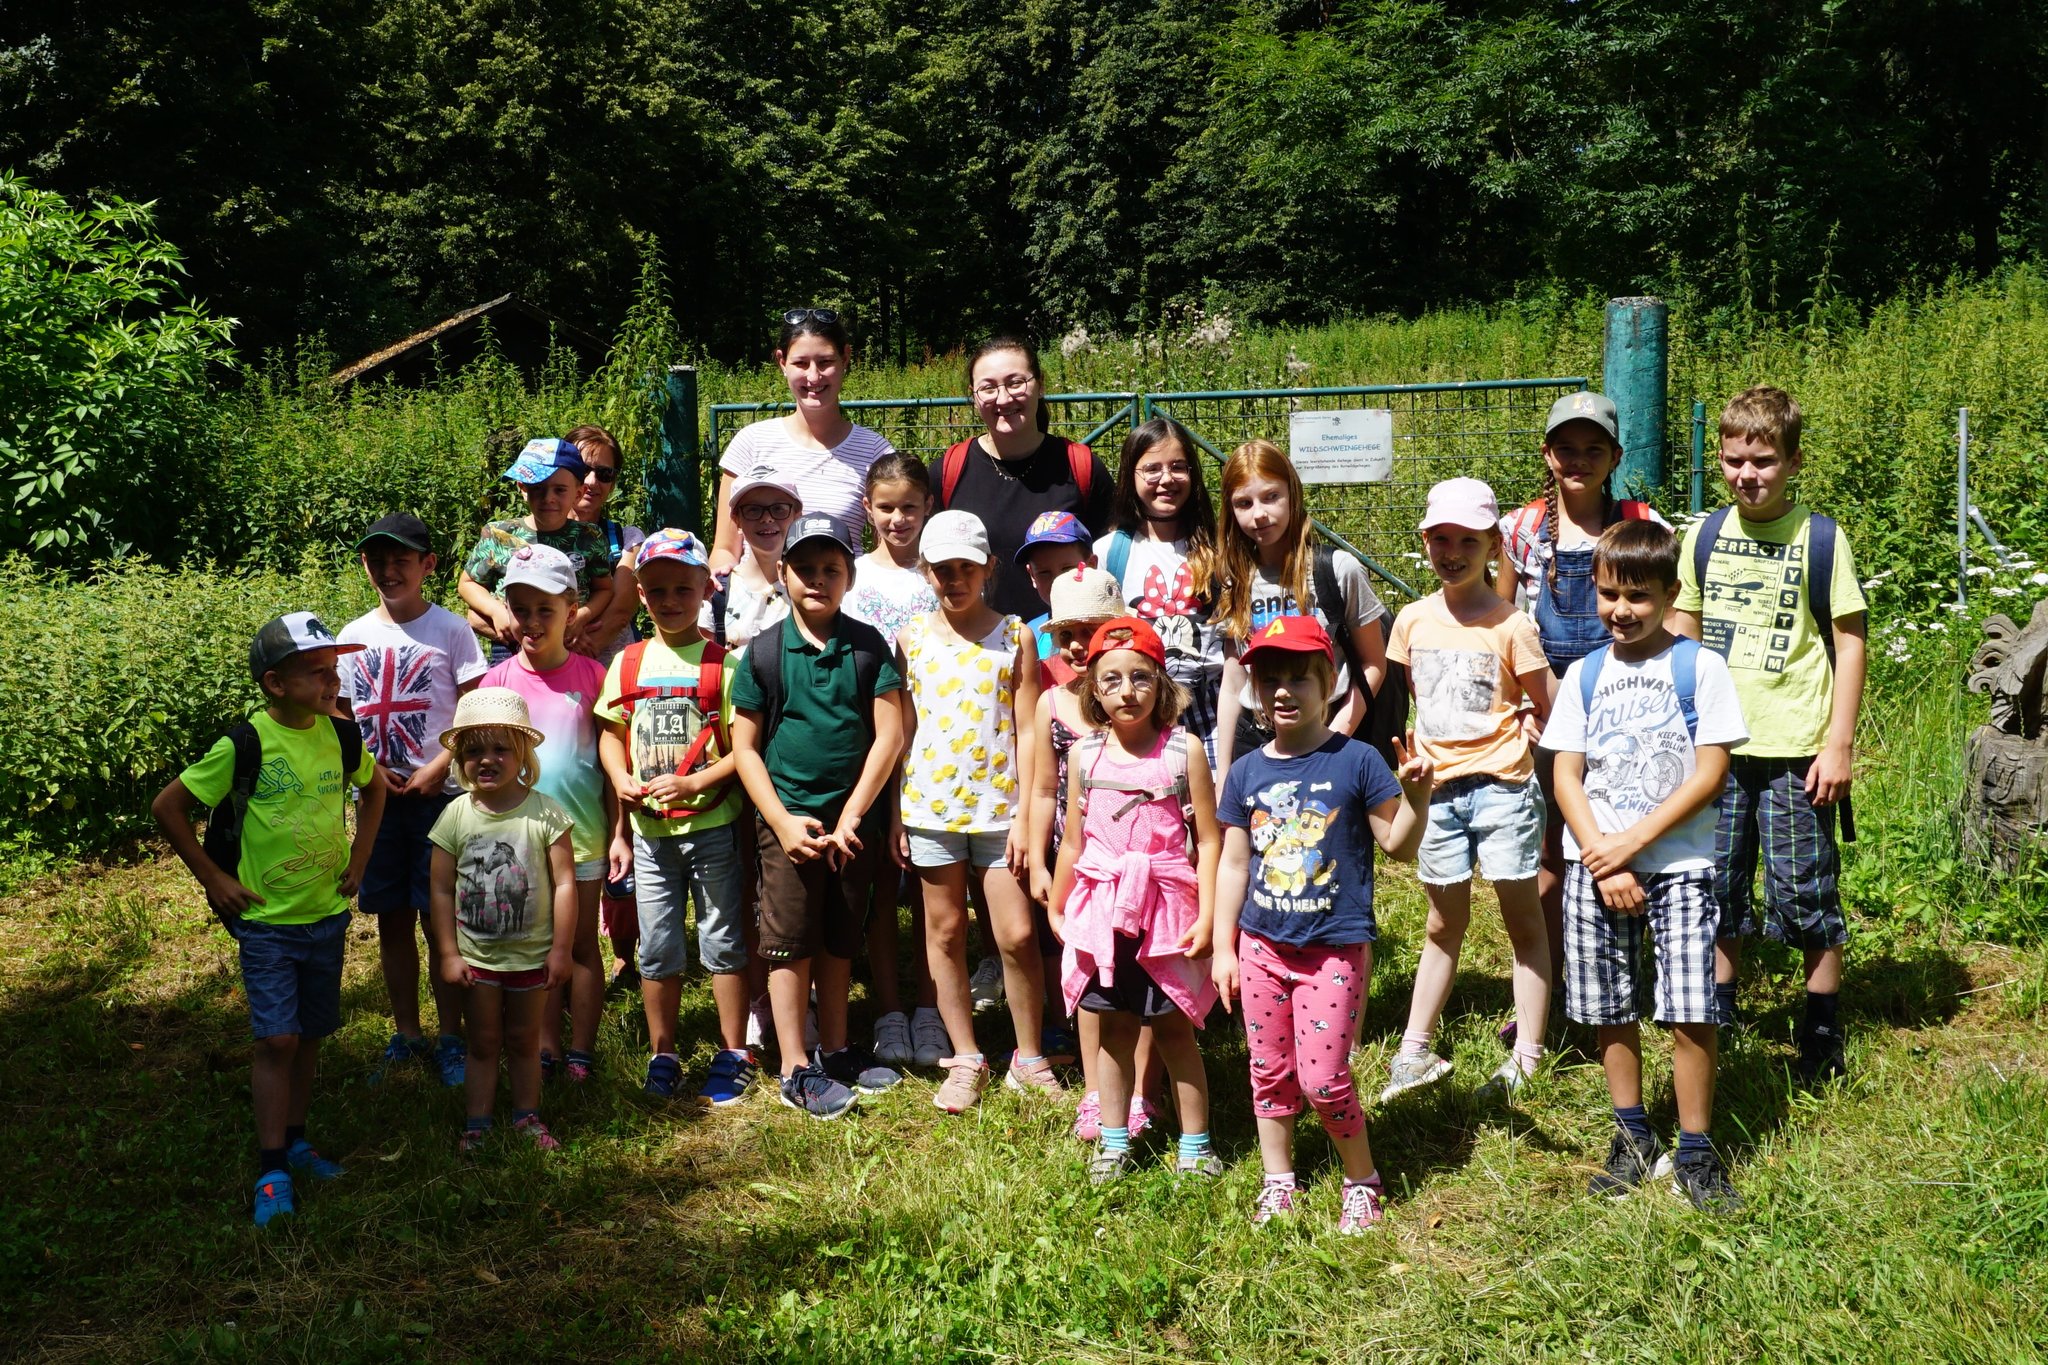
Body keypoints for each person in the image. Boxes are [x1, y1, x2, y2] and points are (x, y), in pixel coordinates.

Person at [150, 613, 383, 1226]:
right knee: (277, 1038)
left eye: (334, 670)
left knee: (308, 1036)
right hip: (266, 921)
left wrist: (360, 857)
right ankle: (272, 1166)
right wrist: (214, 878)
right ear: (276, 683)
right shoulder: (244, 743)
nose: (332, 683)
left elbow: (375, 788)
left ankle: (297, 1140)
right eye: (317, 673)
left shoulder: (340, 736)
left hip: (326, 916)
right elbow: (169, 806)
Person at [1545, 521, 1748, 1211]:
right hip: (1596, 867)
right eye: (1607, 594)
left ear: (1669, 594)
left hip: (1679, 862)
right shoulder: (1584, 674)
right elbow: (1566, 773)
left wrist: (1629, 844)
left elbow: (1711, 771)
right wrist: (1604, 856)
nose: (1620, 609)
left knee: (1691, 1005)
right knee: (1609, 1001)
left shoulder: (1700, 667)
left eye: (1637, 595)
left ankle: (1695, 1147)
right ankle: (1632, 1135)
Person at [1672, 386, 1867, 1088]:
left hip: (1796, 748)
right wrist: (1683, 732)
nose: (1746, 475)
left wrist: (1837, 741)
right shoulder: (1701, 536)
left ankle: (1820, 1022)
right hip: (1717, 752)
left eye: (1762, 461)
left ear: (1792, 461)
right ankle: (1718, 1005)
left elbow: (1849, 641)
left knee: (1805, 885)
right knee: (1716, 881)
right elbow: (1685, 635)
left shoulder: (1821, 539)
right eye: (1732, 460)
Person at [1211, 616, 1433, 1232]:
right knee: (1268, 1071)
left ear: (1330, 682)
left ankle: (1362, 1179)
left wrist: (1418, 799)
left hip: (1333, 948)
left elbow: (1397, 846)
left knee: (1325, 1079)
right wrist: (1224, 947)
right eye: (1269, 679)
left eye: (1298, 679)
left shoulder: (1357, 760)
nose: (1283, 691)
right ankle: (1277, 1180)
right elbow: (1235, 861)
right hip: (1260, 945)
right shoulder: (1247, 772)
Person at [1495, 392, 1671, 1016]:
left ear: (1615, 456)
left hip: (1624, 708)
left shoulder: (1641, 524)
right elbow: (1504, 624)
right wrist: (1520, 701)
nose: (1578, 460)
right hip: (1545, 712)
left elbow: (1664, 621)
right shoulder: (1520, 528)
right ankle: (1553, 979)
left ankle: (1637, 971)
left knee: (1627, 837)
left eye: (1593, 449)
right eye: (1565, 448)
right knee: (1548, 848)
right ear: (1547, 454)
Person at [1381, 479, 1555, 1103]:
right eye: (1441, 539)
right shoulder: (1411, 620)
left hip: (1505, 787)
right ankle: (1414, 1050)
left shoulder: (1513, 624)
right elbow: (1420, 698)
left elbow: (1547, 702)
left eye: (1467, 540)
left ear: (1492, 548)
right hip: (1439, 794)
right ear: (1426, 542)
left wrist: (1533, 730)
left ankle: (1528, 1055)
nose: (1452, 551)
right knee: (1441, 921)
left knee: (1522, 919)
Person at [733, 513, 908, 1118]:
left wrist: (856, 814)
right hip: (790, 823)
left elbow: (889, 737)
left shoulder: (866, 647)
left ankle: (835, 1049)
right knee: (788, 942)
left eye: (830, 569)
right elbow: (745, 749)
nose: (816, 579)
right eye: (803, 568)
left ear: (849, 576)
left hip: (851, 824)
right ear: (782, 574)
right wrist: (782, 822)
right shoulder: (762, 654)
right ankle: (794, 1066)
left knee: (839, 936)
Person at [1049, 618, 1222, 1183]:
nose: (1128, 691)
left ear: (1162, 684)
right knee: (1113, 1031)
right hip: (1102, 914)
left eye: (1141, 678)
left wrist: (1210, 914)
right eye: (1112, 680)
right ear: (1093, 691)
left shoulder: (1183, 751)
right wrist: (1058, 904)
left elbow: (1210, 839)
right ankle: (1115, 1140)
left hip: (1167, 914)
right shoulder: (1084, 757)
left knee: (1174, 1030)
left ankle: (1195, 1143)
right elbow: (1073, 840)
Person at [595, 530, 755, 1104]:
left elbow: (744, 750)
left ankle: (733, 1050)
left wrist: (694, 781)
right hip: (650, 835)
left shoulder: (725, 666)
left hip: (712, 828)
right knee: (658, 946)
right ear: (640, 594)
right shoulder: (628, 662)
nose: (670, 601)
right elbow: (612, 735)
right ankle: (664, 1050)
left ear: (706, 589)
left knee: (723, 939)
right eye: (657, 590)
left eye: (682, 589)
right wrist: (619, 780)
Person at [896, 509, 1045, 1111]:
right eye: (941, 570)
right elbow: (901, 731)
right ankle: (966, 1056)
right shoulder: (910, 639)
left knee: (1014, 934)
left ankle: (1028, 1056)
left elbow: (1030, 730)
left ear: (988, 567)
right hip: (929, 810)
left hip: (1001, 814)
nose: (954, 580)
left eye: (965, 568)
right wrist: (892, 819)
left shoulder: (1016, 636)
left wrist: (1031, 819)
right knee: (946, 931)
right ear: (925, 572)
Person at [337, 513, 484, 1089]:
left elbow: (474, 710)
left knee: (440, 919)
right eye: (378, 559)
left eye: (402, 559)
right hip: (378, 802)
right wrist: (368, 771)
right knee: (391, 920)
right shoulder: (353, 634)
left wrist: (439, 768)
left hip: (438, 799)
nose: (389, 570)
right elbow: (341, 714)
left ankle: (452, 1036)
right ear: (365, 565)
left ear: (428, 565)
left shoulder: (451, 630)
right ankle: (407, 1032)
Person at [1025, 567, 1166, 1142]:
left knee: (1150, 974)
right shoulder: (1051, 703)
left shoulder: (1145, 703)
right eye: (1067, 635)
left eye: (1093, 627)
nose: (1080, 644)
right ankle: (1095, 1091)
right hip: (1079, 861)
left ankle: (1144, 1091)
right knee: (1089, 977)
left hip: (1146, 865)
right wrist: (1037, 859)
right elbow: (1039, 790)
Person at [479, 544, 617, 1083]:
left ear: (572, 607)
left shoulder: (594, 677)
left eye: (545, 609)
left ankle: (582, 1049)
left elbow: (612, 765)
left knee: (581, 944)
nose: (532, 622)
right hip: (519, 841)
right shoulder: (498, 683)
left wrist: (620, 834)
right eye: (521, 608)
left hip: (583, 837)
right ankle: (545, 1045)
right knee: (535, 946)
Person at [428, 688, 576, 1154]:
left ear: (523, 755)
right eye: (473, 751)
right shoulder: (455, 814)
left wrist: (560, 949)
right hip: (477, 959)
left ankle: (527, 1117)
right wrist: (448, 953)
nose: (485, 761)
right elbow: (440, 887)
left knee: (524, 1040)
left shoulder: (546, 811)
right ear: (459, 760)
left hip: (532, 955)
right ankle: (477, 1123)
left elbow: (566, 883)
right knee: (483, 1040)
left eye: (499, 750)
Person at [1211, 439, 1387, 787]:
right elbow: (1233, 682)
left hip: (1328, 730)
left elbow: (1373, 664)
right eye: (1243, 504)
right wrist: (1223, 774)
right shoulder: (1232, 580)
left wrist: (1336, 740)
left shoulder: (1337, 570)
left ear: (1293, 494)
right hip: (1257, 740)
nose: (1258, 514)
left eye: (1271, 496)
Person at [843, 452, 941, 1069]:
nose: (898, 519)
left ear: (928, 506)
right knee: (881, 888)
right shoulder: (852, 575)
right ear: (867, 510)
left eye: (909, 507)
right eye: (886, 508)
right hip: (870, 748)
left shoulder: (944, 575)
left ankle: (931, 1008)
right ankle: (886, 1010)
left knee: (933, 890)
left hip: (935, 748)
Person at [933, 337, 1112, 621]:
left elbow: (1108, 560)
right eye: (988, 387)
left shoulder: (1082, 467)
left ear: (1040, 385)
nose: (1003, 399)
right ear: (974, 396)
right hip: (978, 653)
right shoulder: (948, 471)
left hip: (1067, 647)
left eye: (1016, 383)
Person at [708, 309, 893, 575]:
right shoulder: (750, 443)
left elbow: (885, 554)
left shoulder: (876, 452)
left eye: (825, 361)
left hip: (838, 606)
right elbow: (725, 549)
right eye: (801, 363)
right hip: (761, 609)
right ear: (782, 362)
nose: (814, 376)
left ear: (846, 358)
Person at [564, 422, 649, 998]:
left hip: (613, 675)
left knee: (616, 791)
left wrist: (581, 641)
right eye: (585, 469)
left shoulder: (627, 535)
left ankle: (624, 948)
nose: (594, 481)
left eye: (606, 472)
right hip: (556, 679)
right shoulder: (535, 530)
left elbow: (621, 605)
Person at [1095, 417, 1223, 762]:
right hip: (1140, 706)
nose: (1166, 479)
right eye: (1151, 469)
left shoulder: (1217, 548)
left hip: (1212, 710)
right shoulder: (1110, 552)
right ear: (1130, 477)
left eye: (1177, 467)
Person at [458, 438, 617, 663]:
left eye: (560, 490)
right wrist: (495, 611)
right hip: (510, 648)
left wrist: (581, 617)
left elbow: (604, 589)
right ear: (523, 489)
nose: (548, 498)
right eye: (538, 488)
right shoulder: (499, 534)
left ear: (578, 493)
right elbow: (468, 584)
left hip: (568, 643)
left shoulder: (589, 537)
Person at [708, 464, 800, 649]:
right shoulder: (717, 592)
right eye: (753, 510)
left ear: (796, 516)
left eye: (779, 509)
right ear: (736, 520)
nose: (767, 518)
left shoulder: (809, 588)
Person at [1015, 510, 1095, 660]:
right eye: (1044, 572)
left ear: (1091, 564)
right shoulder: (1031, 633)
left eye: (1067, 569)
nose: (1057, 581)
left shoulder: (1113, 627)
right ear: (1032, 575)